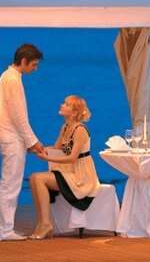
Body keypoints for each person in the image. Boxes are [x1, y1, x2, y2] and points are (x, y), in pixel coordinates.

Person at [28, 95, 100, 240]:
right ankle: (43, 223)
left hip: (81, 175)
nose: (61, 105)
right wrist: (37, 148)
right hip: (68, 171)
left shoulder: (80, 130)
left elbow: (72, 158)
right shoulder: (65, 127)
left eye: (66, 104)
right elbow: (56, 148)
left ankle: (46, 224)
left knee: (38, 178)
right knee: (33, 178)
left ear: (74, 113)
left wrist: (46, 158)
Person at [0, 44, 45, 242]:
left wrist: (30, 142)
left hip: (11, 138)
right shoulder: (12, 79)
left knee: (9, 184)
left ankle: (4, 228)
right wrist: (33, 142)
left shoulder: (9, 77)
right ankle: (3, 230)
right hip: (11, 139)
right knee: (10, 185)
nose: (35, 68)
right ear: (23, 61)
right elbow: (18, 117)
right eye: (34, 64)